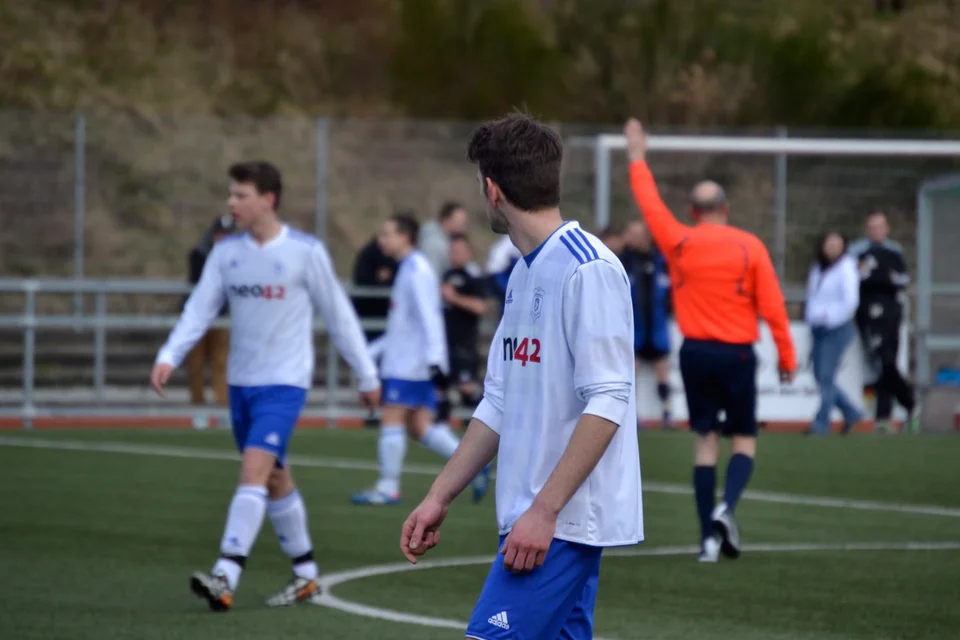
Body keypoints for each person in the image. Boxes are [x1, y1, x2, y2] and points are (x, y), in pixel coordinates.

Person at [400, 113, 642, 640]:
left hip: (561, 524)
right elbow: (499, 403)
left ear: (492, 190)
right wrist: (439, 497)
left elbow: (608, 400)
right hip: (535, 518)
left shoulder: (588, 268)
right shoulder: (524, 271)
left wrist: (544, 511)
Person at [150, 161, 381, 611]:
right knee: (274, 478)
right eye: (230, 195)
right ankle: (307, 575)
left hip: (284, 384)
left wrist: (367, 373)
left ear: (268, 200)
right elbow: (199, 310)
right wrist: (168, 356)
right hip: (241, 386)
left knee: (253, 471)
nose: (231, 203)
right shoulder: (226, 254)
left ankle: (225, 574)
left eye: (240, 195)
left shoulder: (305, 251)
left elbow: (338, 316)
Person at [623, 118, 796, 563]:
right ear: (727, 207)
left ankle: (706, 542)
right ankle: (727, 507)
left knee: (704, 442)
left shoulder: (678, 241)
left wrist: (637, 156)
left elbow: (650, 204)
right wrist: (786, 356)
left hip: (695, 353)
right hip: (737, 353)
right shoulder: (750, 246)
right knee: (743, 439)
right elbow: (774, 308)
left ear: (693, 211)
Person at [350, 213, 490, 506]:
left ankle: (388, 488)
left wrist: (436, 362)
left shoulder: (417, 270)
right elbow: (404, 326)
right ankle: (474, 464)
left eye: (387, 234)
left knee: (392, 416)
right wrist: (369, 353)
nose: (381, 240)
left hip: (409, 365)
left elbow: (430, 319)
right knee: (419, 426)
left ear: (405, 237)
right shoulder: (408, 269)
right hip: (407, 361)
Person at [848, 210, 919, 434]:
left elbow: (902, 279)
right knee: (881, 360)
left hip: (890, 312)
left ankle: (889, 413)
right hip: (866, 312)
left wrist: (889, 279)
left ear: (886, 229)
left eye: (879, 226)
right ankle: (901, 406)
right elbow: (852, 278)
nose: (875, 231)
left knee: (886, 359)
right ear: (866, 229)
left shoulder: (894, 251)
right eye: (871, 227)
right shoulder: (857, 251)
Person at [804, 231, 864, 436]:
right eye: (829, 244)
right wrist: (812, 317)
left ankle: (821, 424)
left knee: (825, 376)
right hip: (818, 326)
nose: (832, 248)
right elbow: (813, 296)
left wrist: (830, 318)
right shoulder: (817, 268)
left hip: (836, 328)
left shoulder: (846, 268)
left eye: (837, 245)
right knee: (820, 376)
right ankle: (852, 413)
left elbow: (850, 301)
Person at [620, 219, 673, 428]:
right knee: (631, 370)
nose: (631, 237)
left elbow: (670, 288)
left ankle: (667, 412)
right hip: (635, 326)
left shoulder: (660, 258)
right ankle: (631, 414)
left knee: (663, 368)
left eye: (636, 233)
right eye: (630, 233)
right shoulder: (624, 260)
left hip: (657, 324)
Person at [184, 215, 235, 407]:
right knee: (196, 364)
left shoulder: (235, 257)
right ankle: (198, 406)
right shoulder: (199, 254)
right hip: (198, 316)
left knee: (221, 362)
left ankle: (222, 404)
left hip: (221, 316)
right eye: (221, 234)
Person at [440, 234, 488, 415]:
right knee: (443, 388)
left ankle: (486, 420)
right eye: (452, 251)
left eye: (459, 251)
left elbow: (480, 306)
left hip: (464, 342)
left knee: (467, 388)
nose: (455, 254)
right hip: (445, 341)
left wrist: (454, 298)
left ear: (469, 252)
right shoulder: (447, 274)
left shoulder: (473, 276)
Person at [418, 201, 470, 277]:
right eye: (461, 222)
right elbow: (432, 274)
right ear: (446, 220)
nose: (464, 228)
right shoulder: (434, 244)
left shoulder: (450, 240)